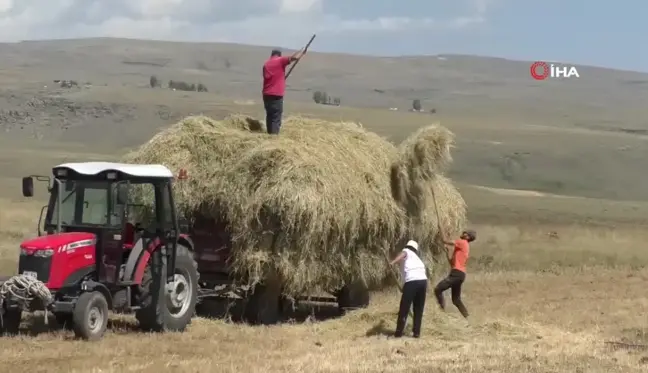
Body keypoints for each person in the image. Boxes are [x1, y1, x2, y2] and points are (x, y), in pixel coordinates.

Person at [389, 239, 428, 338]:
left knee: (404, 308)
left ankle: (398, 333)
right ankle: (416, 333)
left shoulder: (407, 252)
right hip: (423, 282)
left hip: (412, 281)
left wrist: (392, 263)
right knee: (418, 308)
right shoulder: (417, 258)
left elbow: (403, 254)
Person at [434, 230, 476, 319]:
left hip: (457, 273)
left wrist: (442, 230)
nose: (463, 233)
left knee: (438, 289)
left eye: (465, 233)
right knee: (456, 300)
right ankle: (467, 317)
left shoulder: (463, 242)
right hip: (460, 274)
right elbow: (451, 263)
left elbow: (445, 240)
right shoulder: (461, 248)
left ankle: (442, 311)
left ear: (467, 237)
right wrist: (448, 251)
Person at [262, 48, 304, 135]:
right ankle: (273, 139)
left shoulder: (266, 64)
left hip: (266, 94)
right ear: (279, 55)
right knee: (276, 117)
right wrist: (302, 52)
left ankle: (269, 135)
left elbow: (270, 77)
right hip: (276, 94)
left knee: (269, 115)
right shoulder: (280, 60)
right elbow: (293, 58)